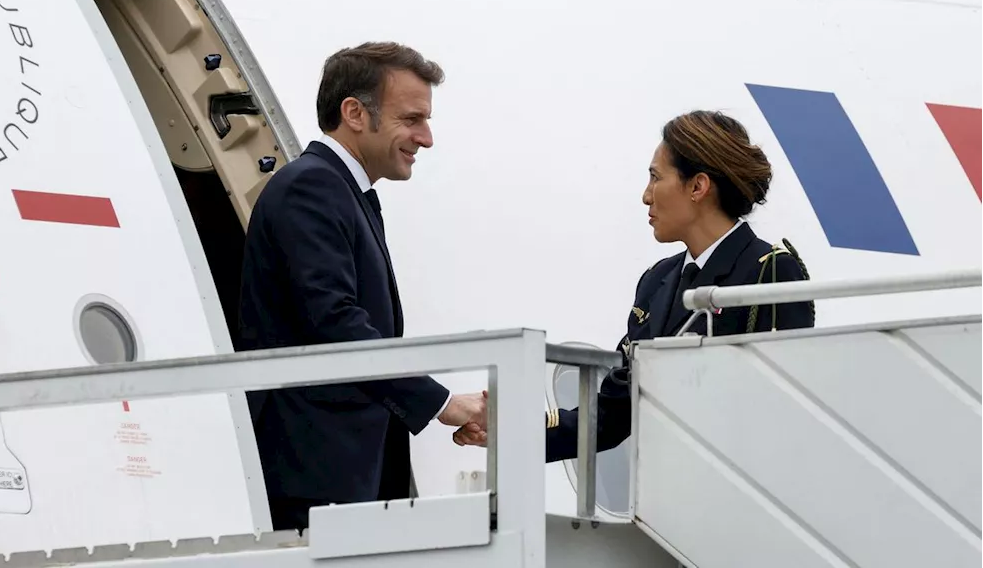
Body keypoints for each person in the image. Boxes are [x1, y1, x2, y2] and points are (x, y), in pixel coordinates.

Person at [452, 110, 815, 462]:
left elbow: (779, 411)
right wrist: (509, 426)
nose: (646, 195)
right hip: (664, 501)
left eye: (656, 178)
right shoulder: (657, 280)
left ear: (698, 186)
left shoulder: (771, 271)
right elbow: (613, 413)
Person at [237, 41, 487, 531]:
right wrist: (441, 403)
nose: (427, 137)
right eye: (412, 119)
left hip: (341, 465)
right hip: (312, 467)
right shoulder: (312, 187)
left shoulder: (345, 191)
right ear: (354, 112)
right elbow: (333, 320)